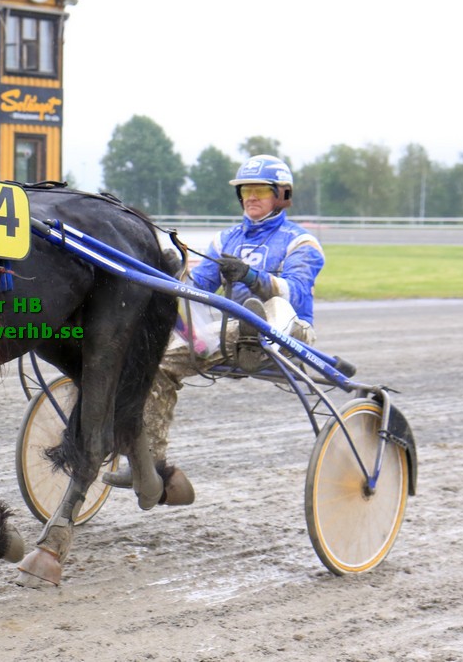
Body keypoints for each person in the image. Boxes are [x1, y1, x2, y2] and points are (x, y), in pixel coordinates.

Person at [104, 154, 325, 505]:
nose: (251, 197)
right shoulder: (226, 240)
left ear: (281, 195)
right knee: (159, 363)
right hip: (230, 335)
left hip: (289, 332)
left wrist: (253, 277)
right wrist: (171, 274)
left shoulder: (301, 242)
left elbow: (296, 292)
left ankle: (255, 332)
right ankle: (150, 465)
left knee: (274, 309)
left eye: (260, 190)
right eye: (246, 191)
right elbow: (197, 289)